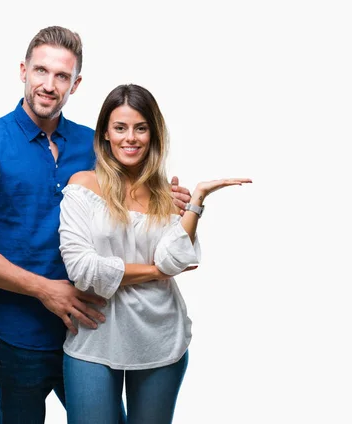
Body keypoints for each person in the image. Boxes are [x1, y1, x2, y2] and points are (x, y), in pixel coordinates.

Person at [0, 27, 193, 423]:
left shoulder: (92, 145)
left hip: (93, 331)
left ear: (75, 84)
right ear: (23, 71)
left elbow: (131, 197)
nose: (49, 84)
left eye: (61, 76)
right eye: (41, 71)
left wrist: (169, 199)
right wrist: (45, 290)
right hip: (17, 334)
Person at [58, 83, 252, 424]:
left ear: (153, 134)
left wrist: (197, 202)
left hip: (160, 336)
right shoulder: (82, 186)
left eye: (140, 128)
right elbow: (83, 270)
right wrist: (152, 272)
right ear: (105, 133)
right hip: (95, 336)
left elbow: (177, 260)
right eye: (120, 128)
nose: (130, 138)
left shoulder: (167, 194)